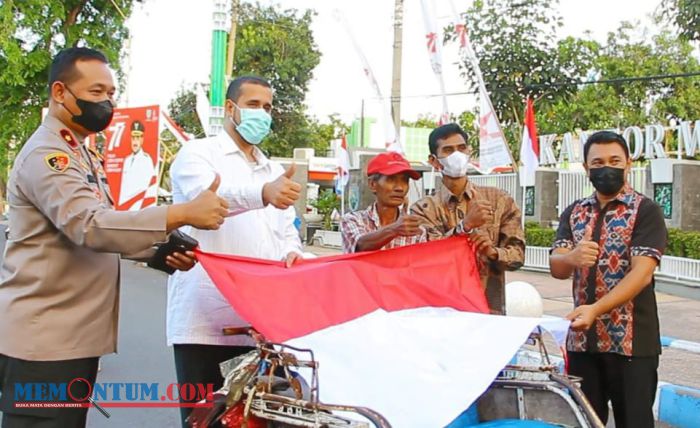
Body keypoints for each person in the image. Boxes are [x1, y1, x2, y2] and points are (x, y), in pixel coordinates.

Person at [0, 47, 229, 428]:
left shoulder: (80, 153)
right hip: (43, 344)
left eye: (110, 93)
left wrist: (158, 251)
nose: (107, 102)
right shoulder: (48, 155)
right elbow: (89, 225)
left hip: (68, 338)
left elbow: (100, 232)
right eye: (95, 93)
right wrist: (181, 213)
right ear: (60, 93)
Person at [168, 75, 304, 426]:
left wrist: (292, 254)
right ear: (231, 109)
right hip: (205, 324)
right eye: (254, 105)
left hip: (260, 327)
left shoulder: (273, 170)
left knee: (255, 420)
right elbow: (209, 202)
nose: (263, 113)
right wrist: (262, 194)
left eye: (268, 107)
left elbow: (287, 232)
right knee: (205, 421)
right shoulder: (197, 154)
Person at [549, 131, 667, 428]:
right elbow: (557, 267)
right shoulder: (574, 212)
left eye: (614, 160)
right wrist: (571, 257)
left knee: (634, 422)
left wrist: (596, 309)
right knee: (585, 422)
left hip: (632, 345)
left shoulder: (646, 211)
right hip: (583, 343)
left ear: (628, 162)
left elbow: (641, 274)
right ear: (587, 168)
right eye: (598, 162)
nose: (606, 168)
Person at [411, 123, 525, 314]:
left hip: (488, 312)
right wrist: (464, 227)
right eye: (448, 150)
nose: (457, 155)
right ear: (434, 161)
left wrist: (494, 252)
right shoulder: (423, 210)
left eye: (462, 148)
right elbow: (427, 259)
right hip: (441, 312)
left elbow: (518, 255)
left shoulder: (499, 200)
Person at [340, 152, 426, 253]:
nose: (400, 188)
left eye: (404, 180)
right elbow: (360, 245)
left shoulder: (416, 231)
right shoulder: (353, 220)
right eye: (391, 179)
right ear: (372, 184)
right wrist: (394, 230)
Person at [118, 120, 158, 210]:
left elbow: (149, 188)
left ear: (142, 140)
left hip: (138, 208)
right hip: (124, 208)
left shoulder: (146, 160)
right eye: (133, 138)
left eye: (138, 138)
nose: (135, 142)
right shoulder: (127, 160)